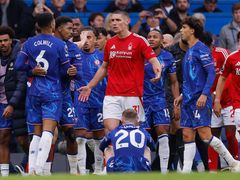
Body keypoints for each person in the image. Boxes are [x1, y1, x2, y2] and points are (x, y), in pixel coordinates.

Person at [78, 10, 162, 135]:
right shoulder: (110, 43)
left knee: (133, 132)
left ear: (127, 21)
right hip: (112, 94)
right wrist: (90, 86)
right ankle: (114, 154)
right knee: (111, 130)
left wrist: (158, 71)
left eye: (118, 20)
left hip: (133, 94)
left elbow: (153, 60)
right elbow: (104, 67)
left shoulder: (139, 40)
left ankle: (135, 154)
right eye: (112, 20)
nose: (114, 23)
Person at [174, 16, 240, 173]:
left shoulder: (201, 49)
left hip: (199, 100)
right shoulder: (190, 51)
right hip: (189, 100)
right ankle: (186, 173)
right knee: (187, 135)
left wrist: (205, 95)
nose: (181, 30)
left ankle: (233, 163)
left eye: (183, 27)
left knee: (205, 135)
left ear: (192, 30)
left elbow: (211, 73)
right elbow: (192, 78)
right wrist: (183, 95)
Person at [14, 12, 74, 175]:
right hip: (52, 91)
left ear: (38, 26)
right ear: (53, 24)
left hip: (34, 90)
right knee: (49, 131)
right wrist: (70, 72)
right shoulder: (60, 44)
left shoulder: (28, 43)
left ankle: (31, 168)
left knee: (36, 133)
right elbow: (64, 71)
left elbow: (19, 65)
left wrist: (32, 70)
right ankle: (39, 169)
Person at [142, 29, 180, 173]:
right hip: (141, 100)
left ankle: (163, 172)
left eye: (155, 37)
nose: (151, 39)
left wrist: (176, 104)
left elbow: (174, 82)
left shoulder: (168, 57)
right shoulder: (140, 56)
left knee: (163, 134)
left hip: (159, 100)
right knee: (143, 137)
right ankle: (144, 171)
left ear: (161, 40)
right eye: (149, 37)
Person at [201, 32, 238, 171]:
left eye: (207, 46)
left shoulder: (223, 53)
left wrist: (218, 96)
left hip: (229, 100)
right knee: (213, 135)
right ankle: (212, 170)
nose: (206, 49)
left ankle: (235, 164)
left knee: (230, 133)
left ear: (212, 44)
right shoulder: (199, 56)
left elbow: (227, 76)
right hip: (210, 100)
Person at [73, 27, 106, 175]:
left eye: (89, 37)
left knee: (99, 138)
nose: (86, 41)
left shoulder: (103, 57)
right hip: (79, 101)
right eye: (83, 38)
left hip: (99, 101)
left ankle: (98, 171)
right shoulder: (74, 55)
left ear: (95, 40)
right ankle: (82, 172)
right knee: (80, 138)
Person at [0, 26, 28, 176]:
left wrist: (11, 105)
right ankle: (5, 174)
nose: (3, 43)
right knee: (3, 138)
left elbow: (22, 83)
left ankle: (29, 166)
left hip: (18, 105)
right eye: (0, 41)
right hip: (1, 105)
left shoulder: (19, 56)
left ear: (11, 40)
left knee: (23, 141)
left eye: (5, 40)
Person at [54, 16, 79, 175]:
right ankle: (42, 171)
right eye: (69, 28)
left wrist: (74, 72)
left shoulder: (73, 48)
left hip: (65, 96)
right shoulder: (48, 45)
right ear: (58, 29)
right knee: (49, 135)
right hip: (46, 95)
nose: (73, 31)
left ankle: (73, 171)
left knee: (71, 134)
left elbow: (80, 73)